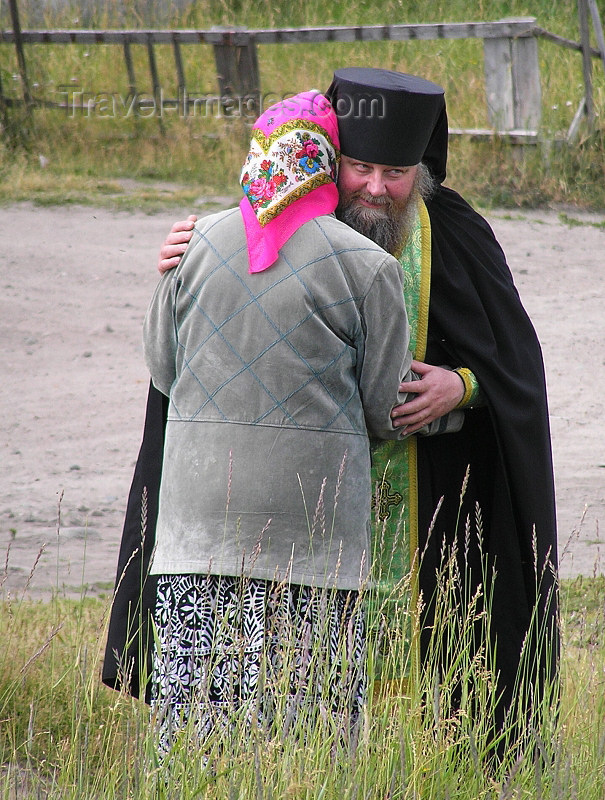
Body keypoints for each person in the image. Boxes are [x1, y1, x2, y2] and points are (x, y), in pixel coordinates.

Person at [105, 69, 559, 757]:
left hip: (425, 507)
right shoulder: (268, 224)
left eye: (396, 172)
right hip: (274, 512)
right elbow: (187, 361)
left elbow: (516, 366)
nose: (376, 188)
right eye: (360, 166)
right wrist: (175, 262)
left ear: (422, 173)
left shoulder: (457, 236)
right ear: (328, 160)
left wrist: (463, 386)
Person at [132, 89, 433, 753]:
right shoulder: (370, 266)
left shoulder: (191, 242)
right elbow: (385, 411)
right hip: (312, 539)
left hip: (195, 531)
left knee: (198, 725)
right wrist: (456, 399)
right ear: (326, 164)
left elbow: (161, 370)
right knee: (309, 730)